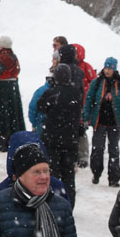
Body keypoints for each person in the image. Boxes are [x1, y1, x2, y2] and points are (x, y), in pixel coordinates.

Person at [37, 63, 83, 207]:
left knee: (53, 174)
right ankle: (69, 204)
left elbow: (40, 106)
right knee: (69, 175)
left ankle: (53, 203)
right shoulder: (76, 93)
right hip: (70, 139)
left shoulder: (52, 93)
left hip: (53, 139)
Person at [83, 56, 120, 188]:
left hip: (115, 123)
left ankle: (114, 178)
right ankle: (96, 173)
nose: (107, 70)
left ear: (114, 69)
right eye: (106, 67)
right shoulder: (97, 83)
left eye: (110, 68)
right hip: (99, 122)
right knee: (97, 150)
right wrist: (86, 118)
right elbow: (89, 100)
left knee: (114, 151)